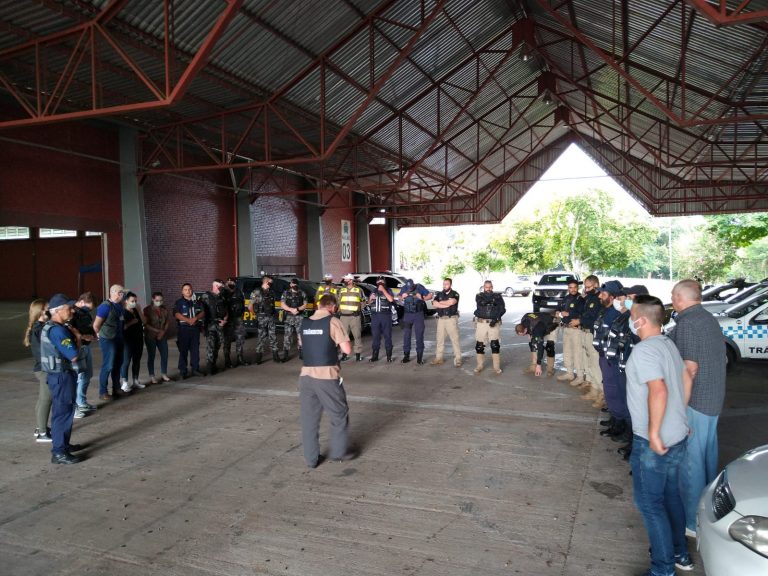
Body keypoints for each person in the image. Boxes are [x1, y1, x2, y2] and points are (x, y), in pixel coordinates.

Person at [625, 294, 694, 574]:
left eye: (632, 316)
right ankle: (680, 553)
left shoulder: (644, 351)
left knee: (650, 505)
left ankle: (662, 569)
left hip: (654, 442)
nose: (630, 320)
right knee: (670, 496)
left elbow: (659, 390)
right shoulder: (667, 343)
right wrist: (680, 416)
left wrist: (653, 433)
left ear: (641, 320)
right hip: (677, 434)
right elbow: (687, 376)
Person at [668, 279, 727, 538]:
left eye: (673, 295)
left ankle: (692, 523)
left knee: (691, 465)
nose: (672, 299)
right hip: (712, 400)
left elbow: (689, 369)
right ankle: (706, 513)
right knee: (706, 459)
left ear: (680, 297)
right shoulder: (707, 318)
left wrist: (679, 411)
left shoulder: (688, 323)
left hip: (695, 402)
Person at [299, 294, 353, 468]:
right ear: (333, 307)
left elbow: (303, 346)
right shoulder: (333, 321)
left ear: (318, 305)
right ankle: (338, 452)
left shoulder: (304, 323)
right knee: (339, 413)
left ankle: (311, 459)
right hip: (326, 377)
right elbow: (347, 349)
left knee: (309, 420)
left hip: (305, 376)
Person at [603, 284, 649, 460]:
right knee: (626, 402)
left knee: (637, 409)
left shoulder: (644, 320)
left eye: (630, 298)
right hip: (623, 364)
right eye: (626, 298)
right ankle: (630, 437)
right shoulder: (627, 317)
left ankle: (637, 446)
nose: (625, 301)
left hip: (636, 370)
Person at [40, 294, 85, 464]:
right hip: (62, 376)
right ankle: (59, 452)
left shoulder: (52, 327)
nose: (72, 311)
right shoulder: (58, 330)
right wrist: (78, 338)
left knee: (64, 411)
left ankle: (63, 445)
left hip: (59, 376)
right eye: (68, 308)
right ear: (58, 311)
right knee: (63, 413)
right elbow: (73, 355)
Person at [570, 275, 603, 403]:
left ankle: (601, 393)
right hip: (585, 332)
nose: (586, 289)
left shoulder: (599, 299)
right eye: (585, 287)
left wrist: (579, 321)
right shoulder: (589, 298)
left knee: (595, 364)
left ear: (596, 285)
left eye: (588, 287)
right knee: (589, 363)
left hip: (592, 334)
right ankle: (594, 389)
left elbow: (593, 317)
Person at [593, 280, 623, 414]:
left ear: (612, 297)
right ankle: (613, 411)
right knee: (608, 385)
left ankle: (618, 418)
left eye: (603, 294)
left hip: (611, 358)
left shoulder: (616, 313)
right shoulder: (605, 310)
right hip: (603, 355)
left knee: (613, 386)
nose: (599, 296)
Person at [24, 299, 52, 442]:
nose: (50, 310)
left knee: (42, 400)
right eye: (47, 308)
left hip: (42, 368)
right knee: (46, 399)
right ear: (41, 311)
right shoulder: (39, 329)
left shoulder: (40, 327)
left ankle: (40, 427)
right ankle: (42, 433)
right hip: (44, 369)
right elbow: (41, 353)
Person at [93, 284, 126, 400]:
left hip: (119, 337)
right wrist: (99, 335)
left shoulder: (120, 305)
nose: (122, 295)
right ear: (113, 292)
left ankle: (116, 388)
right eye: (120, 293)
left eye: (122, 293)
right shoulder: (105, 307)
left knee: (118, 363)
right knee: (108, 365)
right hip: (108, 339)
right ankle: (103, 392)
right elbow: (96, 325)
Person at [69, 292, 98, 418]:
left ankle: (81, 401)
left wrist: (93, 335)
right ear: (81, 302)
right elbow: (69, 330)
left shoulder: (85, 313)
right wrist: (83, 337)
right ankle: (73, 406)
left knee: (87, 375)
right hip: (77, 348)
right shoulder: (71, 313)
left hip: (86, 347)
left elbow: (88, 326)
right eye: (87, 307)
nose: (88, 310)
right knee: (77, 377)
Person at [473, 280, 506, 374]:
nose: (488, 289)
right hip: (481, 323)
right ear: (484, 287)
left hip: (493, 322)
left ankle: (496, 367)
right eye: (486, 287)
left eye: (490, 287)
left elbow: (502, 309)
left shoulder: (498, 296)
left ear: (492, 287)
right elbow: (482, 302)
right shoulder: (479, 296)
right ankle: (479, 366)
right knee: (479, 346)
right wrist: (493, 302)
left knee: (495, 345)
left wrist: (496, 318)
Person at [174, 283, 205, 379]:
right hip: (184, 329)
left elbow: (203, 312)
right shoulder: (179, 302)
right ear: (182, 291)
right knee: (183, 351)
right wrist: (188, 320)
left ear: (192, 290)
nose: (188, 291)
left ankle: (195, 369)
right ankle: (183, 371)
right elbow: (176, 314)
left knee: (195, 350)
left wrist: (195, 318)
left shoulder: (197, 301)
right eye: (185, 289)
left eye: (189, 289)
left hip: (195, 329)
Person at [555, 280, 584, 383]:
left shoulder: (581, 299)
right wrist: (558, 312)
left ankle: (580, 376)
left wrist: (569, 314)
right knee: (567, 352)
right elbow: (559, 308)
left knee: (577, 353)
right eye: (570, 287)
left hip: (576, 330)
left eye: (575, 287)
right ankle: (569, 373)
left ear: (578, 288)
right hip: (566, 328)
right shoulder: (566, 298)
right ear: (568, 288)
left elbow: (582, 313)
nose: (573, 289)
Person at [398, 279, 432, 364]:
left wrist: (422, 297)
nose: (410, 289)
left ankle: (419, 358)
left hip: (418, 314)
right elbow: (399, 296)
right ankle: (406, 356)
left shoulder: (419, 287)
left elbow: (430, 296)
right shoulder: (404, 288)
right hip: (407, 315)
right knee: (406, 335)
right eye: (408, 288)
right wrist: (402, 297)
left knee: (419, 335)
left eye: (411, 288)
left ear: (413, 285)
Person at [515, 312, 558, 376]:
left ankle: (550, 369)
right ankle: (533, 366)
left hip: (551, 324)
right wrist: (529, 333)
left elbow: (540, 348)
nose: (523, 335)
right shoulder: (524, 319)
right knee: (532, 343)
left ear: (525, 329)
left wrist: (539, 365)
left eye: (523, 334)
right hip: (540, 323)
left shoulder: (537, 330)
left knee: (549, 346)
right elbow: (528, 316)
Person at [249, 275, 280, 364]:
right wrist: (256, 315)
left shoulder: (271, 292)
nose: (271, 284)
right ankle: (258, 357)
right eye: (270, 282)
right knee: (261, 337)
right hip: (261, 317)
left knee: (273, 336)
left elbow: (272, 305)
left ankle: (276, 356)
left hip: (271, 317)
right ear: (266, 282)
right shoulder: (256, 292)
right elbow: (250, 306)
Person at [201, 279, 229, 374]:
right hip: (210, 326)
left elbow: (226, 310)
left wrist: (224, 320)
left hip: (220, 326)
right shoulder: (206, 296)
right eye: (220, 286)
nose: (221, 288)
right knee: (211, 347)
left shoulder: (222, 297)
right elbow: (202, 313)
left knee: (217, 346)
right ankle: (209, 369)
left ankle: (213, 366)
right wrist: (204, 327)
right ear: (215, 286)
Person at [120, 292, 146, 393]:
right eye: (132, 301)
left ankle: (135, 381)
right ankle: (125, 382)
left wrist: (139, 310)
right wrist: (131, 322)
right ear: (126, 301)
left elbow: (144, 321)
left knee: (137, 360)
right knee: (126, 361)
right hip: (127, 340)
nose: (134, 303)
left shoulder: (136, 310)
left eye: (135, 301)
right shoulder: (122, 312)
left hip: (138, 339)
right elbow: (122, 327)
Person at [143, 291, 171, 384]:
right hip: (150, 335)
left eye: (161, 300)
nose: (159, 302)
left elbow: (167, 322)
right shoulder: (147, 310)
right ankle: (152, 376)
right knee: (152, 355)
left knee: (165, 354)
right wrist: (157, 331)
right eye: (157, 300)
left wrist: (162, 332)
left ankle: (164, 374)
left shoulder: (164, 309)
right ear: (153, 299)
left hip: (162, 335)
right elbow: (146, 324)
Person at [337, 273, 365, 361]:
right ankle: (344, 354)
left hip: (354, 317)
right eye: (344, 279)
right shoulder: (341, 290)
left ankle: (358, 355)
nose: (344, 281)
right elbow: (338, 302)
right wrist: (338, 311)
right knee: (344, 337)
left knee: (357, 336)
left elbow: (363, 301)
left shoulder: (358, 290)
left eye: (346, 279)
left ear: (351, 280)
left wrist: (359, 310)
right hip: (343, 317)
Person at [367, 277, 395, 362]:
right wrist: (370, 299)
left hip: (385, 316)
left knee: (387, 336)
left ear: (384, 282)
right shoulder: (373, 291)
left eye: (382, 281)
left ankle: (389, 356)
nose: (380, 282)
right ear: (376, 282)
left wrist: (383, 290)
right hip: (375, 316)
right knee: (375, 336)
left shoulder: (388, 290)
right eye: (378, 281)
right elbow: (368, 303)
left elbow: (391, 299)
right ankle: (375, 356)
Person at [223, 277, 249, 367]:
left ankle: (240, 358)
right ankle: (227, 361)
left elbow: (243, 303)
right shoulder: (223, 292)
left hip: (238, 319)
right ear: (226, 282)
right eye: (229, 281)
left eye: (232, 282)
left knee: (240, 339)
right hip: (228, 319)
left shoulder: (239, 292)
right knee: (227, 340)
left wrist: (241, 315)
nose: (231, 283)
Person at [281, 278, 307, 362]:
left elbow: (305, 304)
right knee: (287, 336)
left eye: (295, 284)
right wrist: (291, 309)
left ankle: (301, 353)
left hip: (299, 317)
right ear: (290, 284)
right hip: (289, 317)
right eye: (293, 284)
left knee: (300, 335)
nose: (294, 285)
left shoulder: (302, 293)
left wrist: (298, 309)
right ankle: (286, 354)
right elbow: (282, 304)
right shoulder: (285, 293)